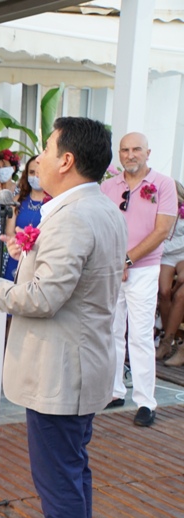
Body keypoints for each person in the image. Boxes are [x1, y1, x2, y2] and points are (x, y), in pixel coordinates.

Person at [0, 116, 126, 518]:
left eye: (48, 150)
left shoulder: (74, 216)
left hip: (63, 369)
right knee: (72, 470)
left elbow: (43, 298)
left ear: (67, 160)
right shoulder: (99, 206)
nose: (40, 160)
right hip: (79, 362)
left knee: (59, 476)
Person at [101, 132, 177, 426]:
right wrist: (114, 260)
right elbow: (103, 226)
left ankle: (146, 401)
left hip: (143, 269)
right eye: (124, 150)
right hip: (112, 268)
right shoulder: (108, 186)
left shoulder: (163, 184)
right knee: (111, 330)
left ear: (148, 152)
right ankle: (114, 390)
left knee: (140, 335)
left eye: (136, 149)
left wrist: (127, 260)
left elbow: (162, 230)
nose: (130, 155)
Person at [3, 155, 49, 281]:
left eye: (39, 172)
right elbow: (9, 231)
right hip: (17, 254)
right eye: (32, 172)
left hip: (40, 258)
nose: (36, 176)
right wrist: (22, 244)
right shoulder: (17, 200)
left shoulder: (53, 202)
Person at [157, 182, 184, 365]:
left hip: (181, 253)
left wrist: (160, 248)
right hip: (166, 255)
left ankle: (167, 339)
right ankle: (168, 339)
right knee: (164, 291)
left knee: (180, 283)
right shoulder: (161, 209)